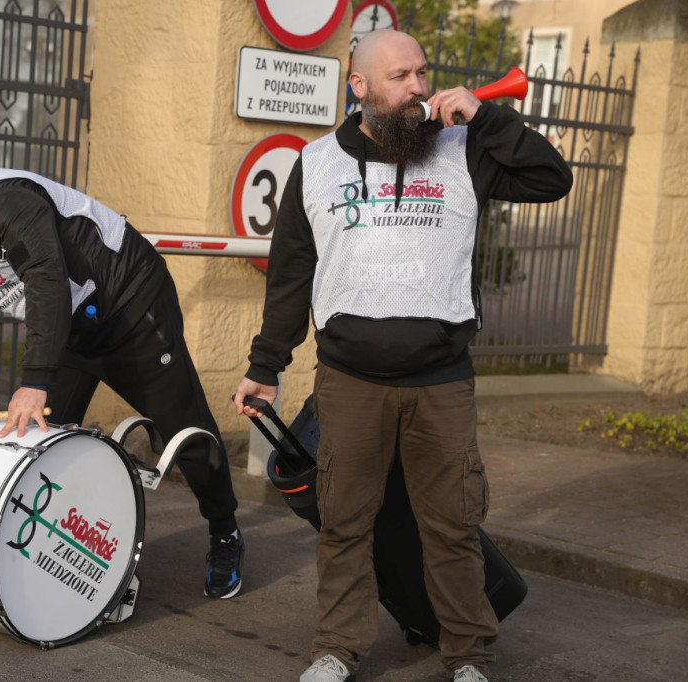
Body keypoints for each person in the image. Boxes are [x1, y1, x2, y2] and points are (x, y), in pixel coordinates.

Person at [234, 30, 572, 682]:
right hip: (349, 381)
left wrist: (487, 116)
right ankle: (337, 650)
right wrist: (265, 367)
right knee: (344, 524)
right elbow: (292, 275)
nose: (418, 88)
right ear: (359, 87)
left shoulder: (462, 148)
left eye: (422, 73)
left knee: (452, 526)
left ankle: (468, 655)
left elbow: (551, 179)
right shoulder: (316, 164)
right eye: (400, 77)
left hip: (441, 381)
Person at [0, 168, 244, 599]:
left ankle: (225, 532)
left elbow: (46, 277)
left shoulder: (1, 203)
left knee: (183, 426)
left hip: (130, 304)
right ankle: (73, 557)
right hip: (72, 328)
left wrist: (36, 380)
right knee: (43, 446)